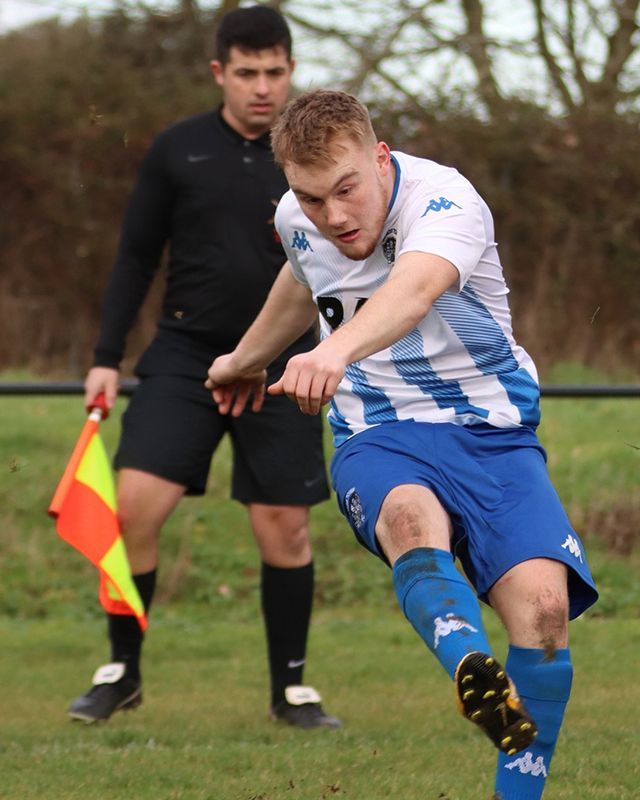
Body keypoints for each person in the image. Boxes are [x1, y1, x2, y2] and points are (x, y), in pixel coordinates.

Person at [206, 89, 597, 800]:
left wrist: (331, 352)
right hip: (378, 432)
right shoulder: (297, 217)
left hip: (493, 432)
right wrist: (245, 359)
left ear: (380, 158)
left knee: (544, 617)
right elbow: (301, 279)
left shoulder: (445, 202)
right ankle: (471, 667)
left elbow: (414, 291)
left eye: (346, 189)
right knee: (411, 520)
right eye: (312, 198)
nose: (333, 216)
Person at [71, 6, 340, 730]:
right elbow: (135, 258)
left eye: (275, 72)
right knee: (133, 510)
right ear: (220, 72)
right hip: (186, 357)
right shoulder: (177, 149)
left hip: (284, 363)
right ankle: (121, 671)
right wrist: (105, 358)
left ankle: (291, 690)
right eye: (247, 73)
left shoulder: (316, 160)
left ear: (291, 70)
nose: (263, 87)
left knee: (286, 529)